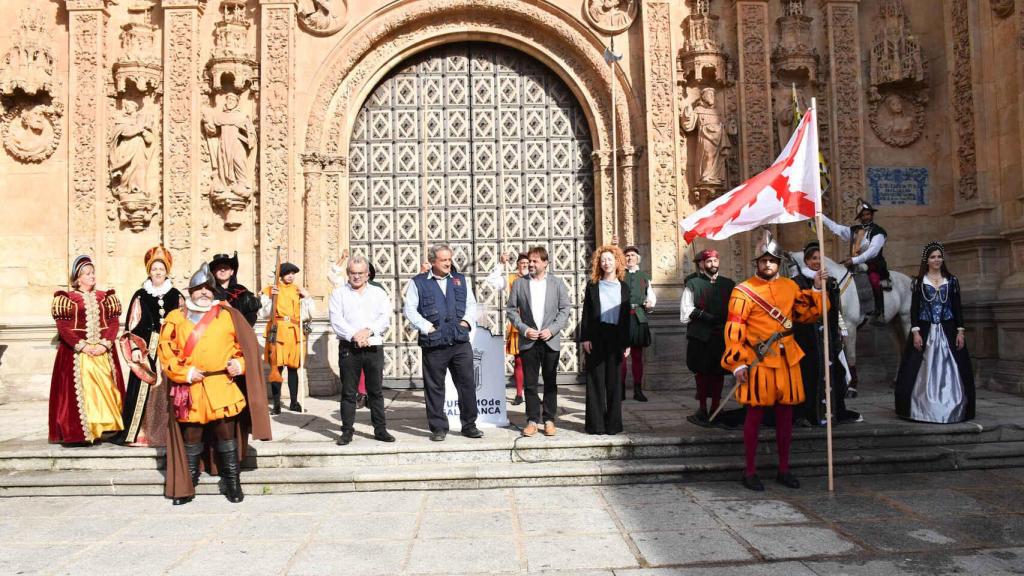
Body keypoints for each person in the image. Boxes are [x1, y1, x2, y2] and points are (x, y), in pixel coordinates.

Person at [159, 263, 271, 505]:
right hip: (190, 388)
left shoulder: (228, 315)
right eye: (198, 288)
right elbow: (166, 354)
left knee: (226, 435)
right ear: (190, 290)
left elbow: (246, 349)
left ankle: (232, 481)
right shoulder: (175, 318)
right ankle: (189, 482)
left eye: (208, 288)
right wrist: (185, 372)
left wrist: (239, 365)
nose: (204, 293)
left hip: (222, 384)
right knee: (192, 437)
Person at [721, 231, 824, 491]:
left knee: (785, 416)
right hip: (758, 361)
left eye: (772, 260)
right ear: (756, 262)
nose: (768, 264)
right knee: (754, 416)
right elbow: (734, 329)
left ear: (779, 263)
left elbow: (806, 314)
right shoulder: (742, 291)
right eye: (763, 260)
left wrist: (817, 289)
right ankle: (750, 470)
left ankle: (784, 469)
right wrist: (738, 363)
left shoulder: (790, 286)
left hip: (788, 358)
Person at [402, 244, 484, 441]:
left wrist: (466, 322)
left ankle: (469, 425)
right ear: (432, 262)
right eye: (444, 260)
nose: (448, 263)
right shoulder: (418, 282)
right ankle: (438, 428)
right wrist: (426, 327)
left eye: (450, 259)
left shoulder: (460, 280)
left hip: (459, 341)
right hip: (434, 344)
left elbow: (471, 304)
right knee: (435, 387)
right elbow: (410, 309)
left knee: (466, 384)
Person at [894, 242, 975, 423]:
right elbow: (914, 310)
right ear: (927, 260)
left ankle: (954, 406)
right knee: (918, 368)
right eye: (933, 257)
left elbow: (957, 308)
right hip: (924, 329)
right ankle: (921, 408)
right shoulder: (919, 282)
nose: (937, 260)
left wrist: (960, 331)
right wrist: (915, 332)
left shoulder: (952, 281)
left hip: (948, 329)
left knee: (954, 369)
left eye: (939, 256)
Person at [49, 255, 125, 444]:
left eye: (93, 273)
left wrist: (104, 344)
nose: (92, 276)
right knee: (83, 391)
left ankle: (107, 428)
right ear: (78, 278)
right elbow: (63, 327)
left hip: (102, 352)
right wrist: (81, 345)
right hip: (77, 354)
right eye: (87, 273)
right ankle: (84, 431)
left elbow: (113, 323)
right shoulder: (67, 299)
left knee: (107, 387)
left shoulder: (105, 297)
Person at [113, 246, 185, 446]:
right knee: (144, 389)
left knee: (169, 389)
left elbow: (185, 322)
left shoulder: (176, 295)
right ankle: (140, 432)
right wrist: (135, 348)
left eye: (161, 269)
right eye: (154, 269)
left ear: (167, 271)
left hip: (171, 347)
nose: (158, 272)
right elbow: (132, 324)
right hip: (147, 349)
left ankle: (169, 432)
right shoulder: (140, 294)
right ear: (149, 271)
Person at [791, 242, 861, 427]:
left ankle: (831, 413)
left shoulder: (831, 282)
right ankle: (807, 414)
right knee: (809, 375)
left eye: (820, 258)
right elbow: (801, 310)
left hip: (828, 336)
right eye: (813, 258)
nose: (817, 262)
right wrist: (815, 287)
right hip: (807, 337)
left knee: (833, 374)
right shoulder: (798, 282)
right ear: (806, 261)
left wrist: (842, 330)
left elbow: (836, 310)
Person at [329, 255, 395, 445]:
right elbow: (336, 320)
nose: (356, 277)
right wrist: (355, 335)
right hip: (349, 347)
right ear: (348, 274)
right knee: (349, 393)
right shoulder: (339, 294)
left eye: (360, 273)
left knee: (375, 391)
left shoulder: (378, 293)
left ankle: (380, 430)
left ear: (367, 275)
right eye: (352, 273)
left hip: (373, 346)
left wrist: (368, 331)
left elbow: (384, 317)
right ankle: (347, 431)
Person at [506, 246, 571, 437]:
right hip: (529, 340)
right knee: (530, 383)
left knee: (550, 381)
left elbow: (565, 309)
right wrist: (525, 329)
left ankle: (549, 419)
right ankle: (532, 420)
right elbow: (511, 310)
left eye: (535, 261)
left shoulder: (557, 283)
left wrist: (552, 330)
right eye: (530, 261)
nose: (531, 264)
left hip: (550, 340)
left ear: (545, 263)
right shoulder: (519, 284)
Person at [579, 245, 631, 435]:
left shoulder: (624, 287)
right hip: (596, 336)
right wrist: (585, 338)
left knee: (614, 382)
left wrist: (627, 343)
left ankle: (613, 424)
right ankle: (596, 425)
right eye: (603, 260)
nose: (606, 263)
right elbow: (585, 314)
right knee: (595, 381)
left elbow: (626, 317)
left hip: (616, 338)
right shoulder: (593, 286)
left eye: (610, 259)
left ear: (617, 262)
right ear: (598, 264)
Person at [681, 248, 735, 426]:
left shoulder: (728, 284)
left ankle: (716, 408)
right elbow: (686, 311)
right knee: (702, 374)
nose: (712, 264)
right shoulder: (693, 284)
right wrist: (704, 316)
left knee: (718, 374)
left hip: (720, 337)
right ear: (702, 264)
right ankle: (702, 409)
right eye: (708, 261)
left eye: (715, 260)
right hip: (700, 337)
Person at [821, 199, 888, 323]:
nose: (866, 217)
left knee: (874, 280)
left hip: (873, 265)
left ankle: (879, 312)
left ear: (871, 215)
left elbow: (872, 251)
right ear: (860, 217)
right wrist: (821, 217)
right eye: (863, 215)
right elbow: (837, 228)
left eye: (868, 214)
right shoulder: (855, 230)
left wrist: (855, 260)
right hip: (853, 264)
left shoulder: (878, 232)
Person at [260, 262, 315, 414]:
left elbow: (309, 313)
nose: (291, 276)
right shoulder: (271, 290)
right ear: (281, 275)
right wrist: (272, 298)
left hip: (294, 332)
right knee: (276, 369)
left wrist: (307, 297)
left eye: (293, 273)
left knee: (293, 369)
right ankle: (277, 404)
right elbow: (264, 314)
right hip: (277, 331)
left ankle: (294, 402)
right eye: (288, 273)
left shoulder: (298, 290)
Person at [620, 246, 656, 402]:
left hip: (639, 317)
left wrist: (650, 303)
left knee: (637, 355)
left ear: (637, 258)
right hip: (622, 318)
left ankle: (637, 390)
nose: (629, 258)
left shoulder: (644, 277)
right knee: (621, 355)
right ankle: (620, 390)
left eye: (632, 255)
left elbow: (651, 297)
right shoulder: (618, 275)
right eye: (627, 255)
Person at [505, 252, 530, 406]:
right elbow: (493, 281)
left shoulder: (536, 278)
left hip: (533, 324)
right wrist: (502, 264)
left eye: (527, 263)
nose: (525, 265)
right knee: (519, 361)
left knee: (533, 362)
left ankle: (532, 391)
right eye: (522, 263)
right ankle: (519, 393)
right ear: (518, 265)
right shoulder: (511, 278)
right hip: (518, 325)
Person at [210, 252, 260, 326]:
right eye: (219, 268)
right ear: (214, 272)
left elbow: (251, 315)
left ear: (232, 272)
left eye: (226, 267)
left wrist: (242, 328)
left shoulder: (242, 291)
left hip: (236, 333)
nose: (222, 270)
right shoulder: (208, 291)